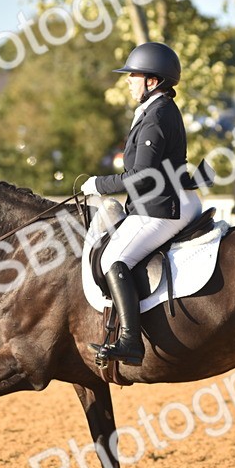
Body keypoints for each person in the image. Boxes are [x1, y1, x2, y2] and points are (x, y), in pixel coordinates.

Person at [80, 42, 204, 366]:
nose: (128, 81)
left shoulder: (156, 115)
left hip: (163, 207)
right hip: (170, 198)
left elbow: (143, 175)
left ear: (152, 80)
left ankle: (130, 342)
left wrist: (98, 184)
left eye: (133, 75)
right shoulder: (155, 110)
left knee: (113, 258)